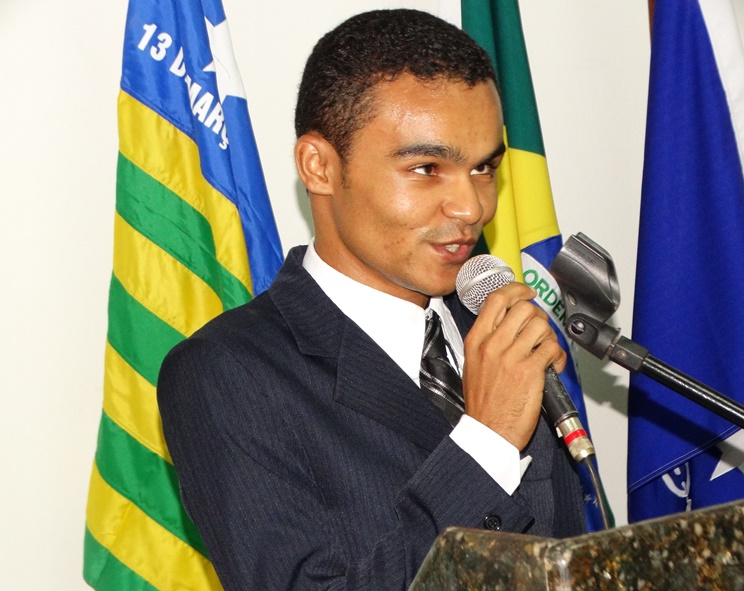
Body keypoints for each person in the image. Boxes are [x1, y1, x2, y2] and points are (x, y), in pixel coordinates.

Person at [157, 8, 586, 590]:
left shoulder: (497, 330)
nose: (471, 207)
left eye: (484, 168)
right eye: (427, 167)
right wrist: (487, 442)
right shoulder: (226, 373)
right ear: (319, 166)